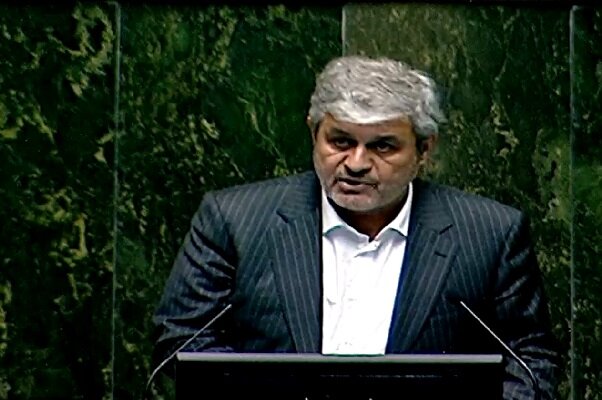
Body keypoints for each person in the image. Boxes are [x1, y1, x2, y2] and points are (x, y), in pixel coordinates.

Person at [151, 55, 559, 399]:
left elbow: (530, 361)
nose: (357, 163)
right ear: (313, 133)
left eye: (383, 146)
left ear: (424, 150)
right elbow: (181, 338)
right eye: (340, 141)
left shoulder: (489, 233)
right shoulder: (235, 219)